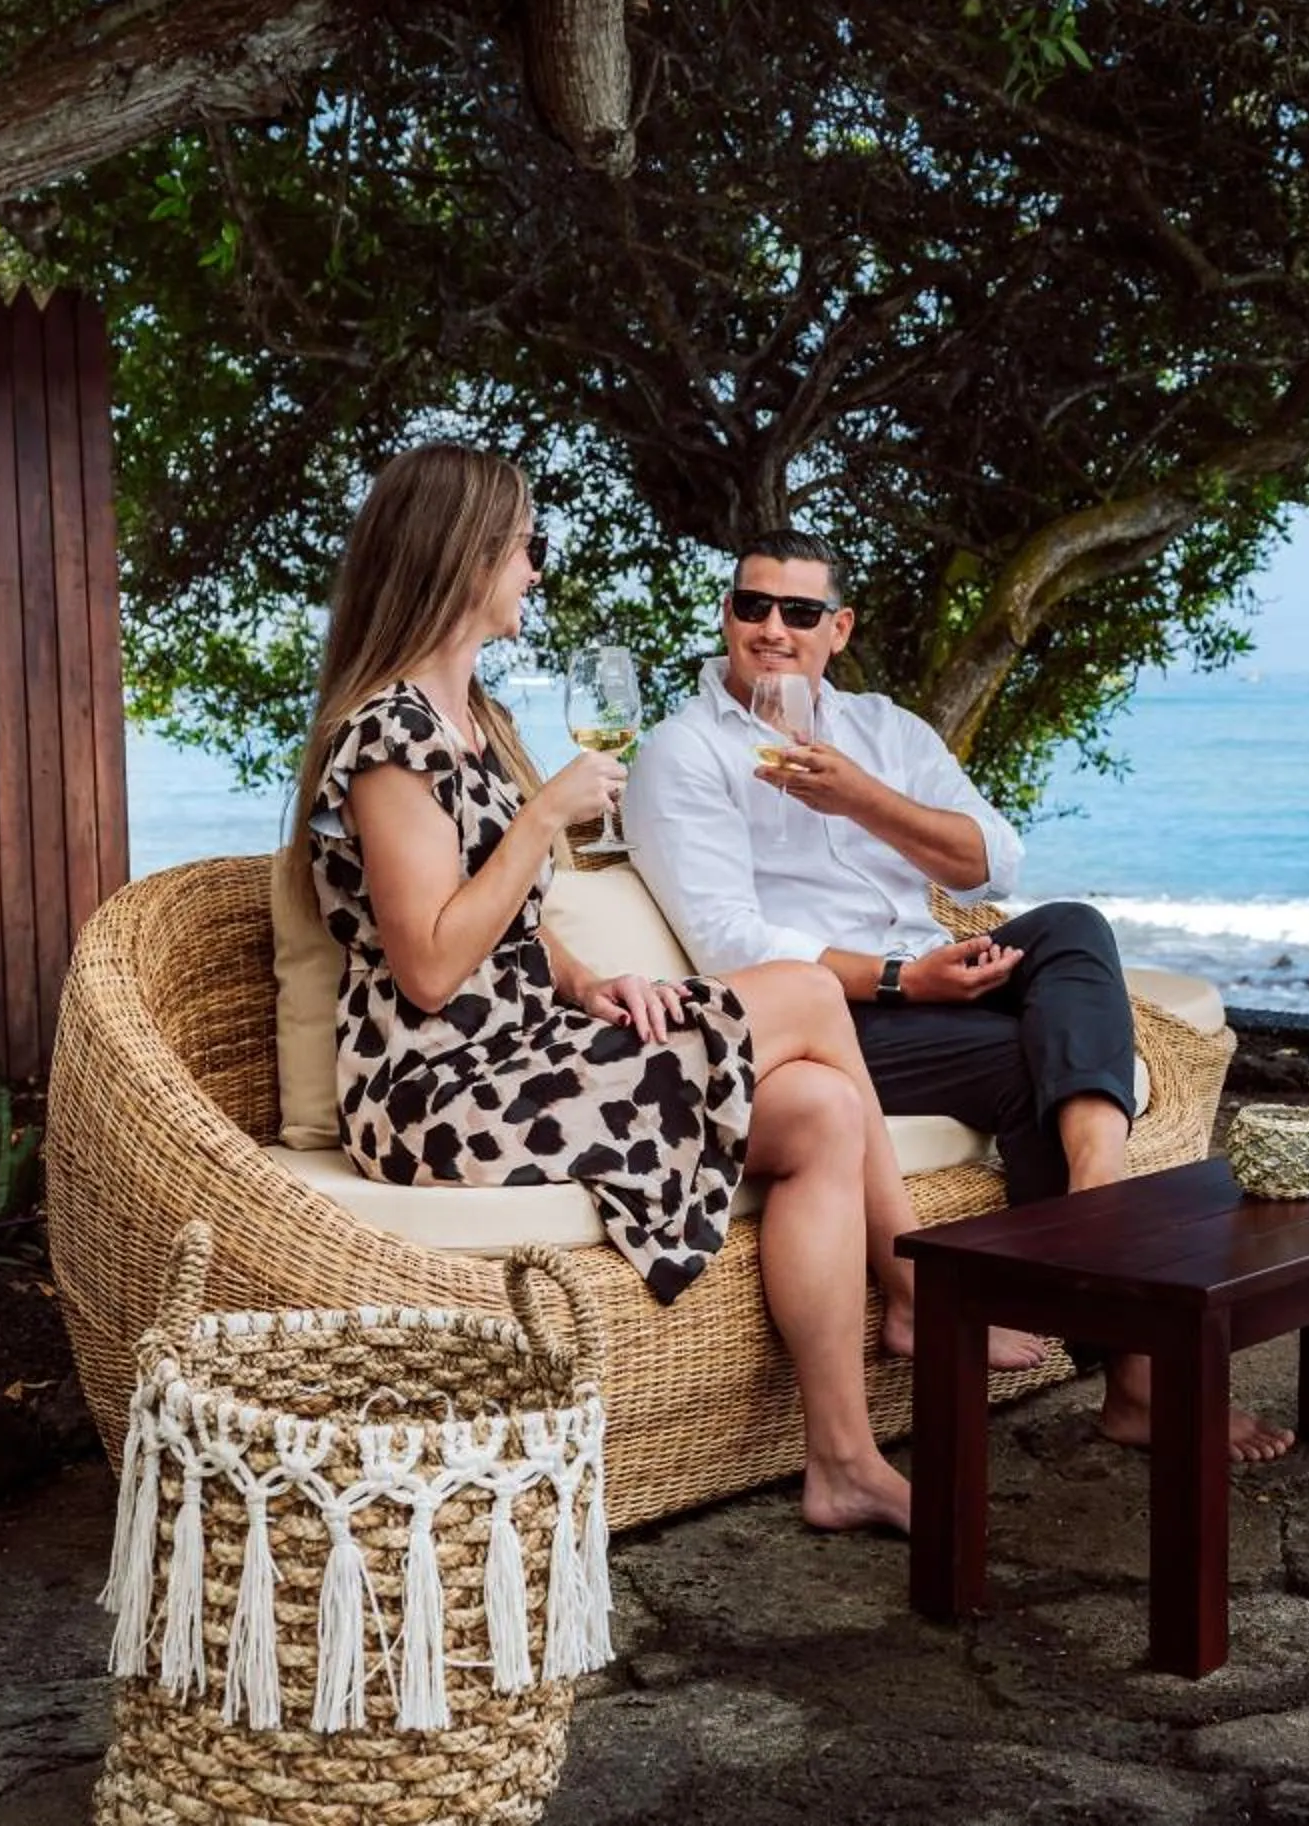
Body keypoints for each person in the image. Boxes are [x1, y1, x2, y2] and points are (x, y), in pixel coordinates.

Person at [291, 448, 1027, 1534]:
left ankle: (844, 1461)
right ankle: (917, 1286)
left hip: (526, 1047)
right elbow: (433, 967)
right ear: (461, 559)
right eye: (521, 546)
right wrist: (547, 816)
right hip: (438, 1089)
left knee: (822, 1111)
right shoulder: (390, 739)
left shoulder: (475, 721)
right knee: (809, 999)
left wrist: (593, 981)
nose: (533, 570)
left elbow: (510, 931)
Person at [625, 529, 1296, 1462]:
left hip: (934, 977)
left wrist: (863, 799)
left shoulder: (884, 732)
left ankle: (1095, 1191)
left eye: (800, 611)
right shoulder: (684, 751)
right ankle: (1136, 1380)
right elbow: (730, 945)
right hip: (827, 1020)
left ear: (840, 627)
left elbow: (992, 864)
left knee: (1070, 927)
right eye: (752, 606)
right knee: (1034, 1064)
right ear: (728, 616)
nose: (772, 629)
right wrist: (904, 979)